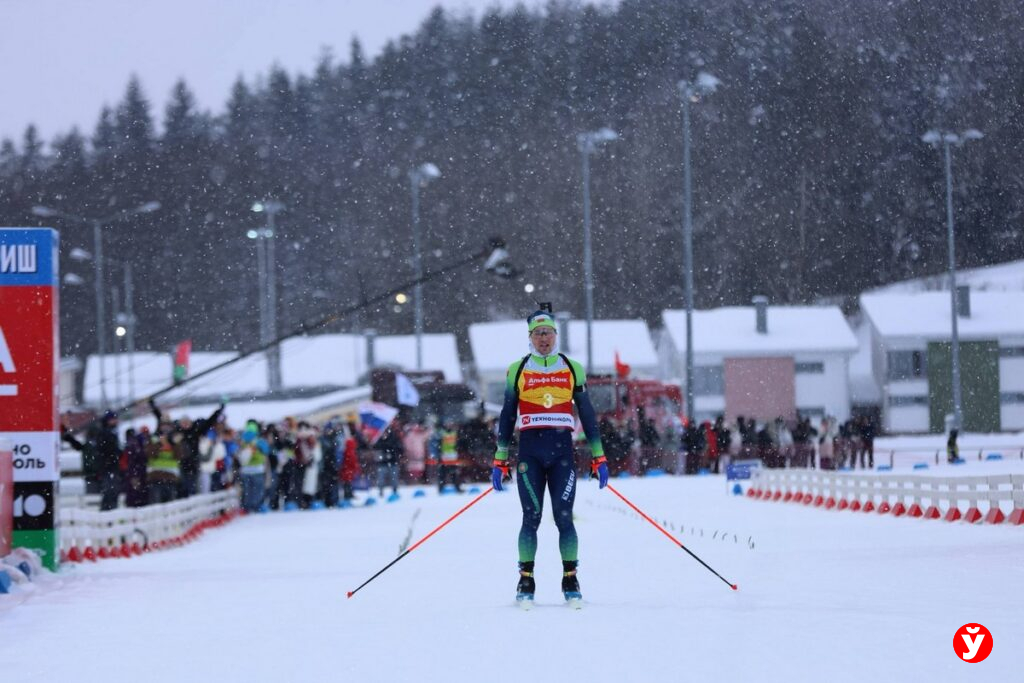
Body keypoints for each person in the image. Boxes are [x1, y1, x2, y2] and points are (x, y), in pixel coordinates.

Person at [490, 307, 607, 605]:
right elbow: (506, 414)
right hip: (530, 453)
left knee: (564, 517)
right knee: (531, 517)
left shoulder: (571, 367)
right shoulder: (517, 369)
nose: (544, 339)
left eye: (549, 333)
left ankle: (571, 578)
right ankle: (525, 580)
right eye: (538, 333)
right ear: (530, 337)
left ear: (556, 335)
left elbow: (588, 413)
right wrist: (499, 458)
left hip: (562, 456)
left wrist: (599, 455)